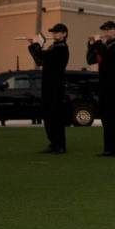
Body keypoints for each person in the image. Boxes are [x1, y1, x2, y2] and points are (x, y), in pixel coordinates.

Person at [87, 20, 115, 157]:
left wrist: (98, 44)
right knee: (105, 117)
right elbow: (91, 60)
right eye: (104, 30)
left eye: (109, 29)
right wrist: (91, 45)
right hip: (104, 85)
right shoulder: (104, 46)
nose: (106, 32)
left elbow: (109, 58)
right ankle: (108, 148)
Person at [27, 23, 70, 154]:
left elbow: (43, 55)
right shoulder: (54, 47)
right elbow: (40, 60)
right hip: (48, 85)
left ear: (64, 34)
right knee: (48, 115)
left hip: (56, 86)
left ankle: (60, 145)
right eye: (53, 32)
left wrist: (36, 45)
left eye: (57, 32)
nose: (54, 34)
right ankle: (53, 142)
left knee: (56, 115)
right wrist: (33, 46)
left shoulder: (61, 48)